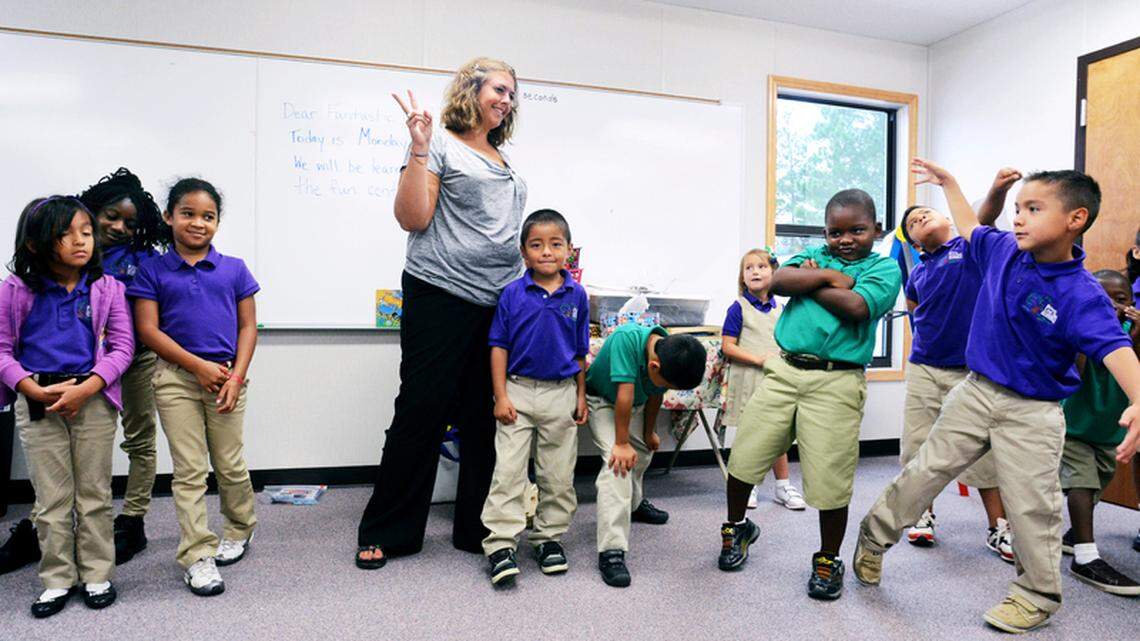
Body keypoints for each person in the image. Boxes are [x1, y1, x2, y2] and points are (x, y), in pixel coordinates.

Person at [854, 159, 1140, 633]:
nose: (1019, 217)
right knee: (925, 471)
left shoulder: (1082, 294)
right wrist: (949, 184)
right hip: (976, 391)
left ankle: (1036, 596)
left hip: (1034, 411)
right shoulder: (1002, 250)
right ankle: (874, 536)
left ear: (1076, 220)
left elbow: (1116, 350)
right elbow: (970, 224)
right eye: (1019, 207)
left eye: (1033, 208)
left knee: (1034, 506)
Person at [356, 57, 528, 569]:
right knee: (421, 410)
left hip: (495, 302)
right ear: (471, 89)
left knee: (483, 416)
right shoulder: (442, 146)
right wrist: (419, 148)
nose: (507, 100)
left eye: (513, 94)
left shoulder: (501, 157)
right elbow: (413, 217)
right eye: (500, 89)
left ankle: (478, 529)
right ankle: (388, 529)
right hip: (440, 292)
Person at [718, 188, 901, 601]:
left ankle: (827, 558)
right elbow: (778, 280)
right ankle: (736, 529)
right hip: (783, 370)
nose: (846, 239)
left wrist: (811, 281)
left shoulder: (885, 269)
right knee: (745, 458)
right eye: (836, 232)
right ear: (825, 233)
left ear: (877, 229)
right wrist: (832, 278)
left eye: (857, 229)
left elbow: (857, 308)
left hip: (836, 382)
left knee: (830, 479)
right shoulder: (812, 254)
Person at [0, 196, 134, 617]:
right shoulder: (14, 291)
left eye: (86, 232)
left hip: (91, 399)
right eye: (66, 234)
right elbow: (3, 350)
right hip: (37, 398)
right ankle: (57, 579)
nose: (81, 241)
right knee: (51, 497)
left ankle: (97, 573)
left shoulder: (108, 288)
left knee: (93, 492)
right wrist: (29, 388)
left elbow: (123, 347)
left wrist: (88, 387)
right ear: (36, 244)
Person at [129, 179, 259, 596]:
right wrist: (196, 367)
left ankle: (239, 528)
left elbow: (248, 326)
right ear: (169, 217)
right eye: (187, 213)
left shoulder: (234, 268)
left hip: (226, 377)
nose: (198, 223)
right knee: (188, 470)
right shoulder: (152, 269)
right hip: (175, 379)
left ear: (217, 222)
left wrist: (235, 377)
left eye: (208, 216)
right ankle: (197, 556)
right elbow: (148, 330)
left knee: (230, 463)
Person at [896, 167, 1019, 561]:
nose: (918, 218)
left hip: (971, 371)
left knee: (983, 452)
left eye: (924, 213)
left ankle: (997, 527)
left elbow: (982, 215)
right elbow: (915, 313)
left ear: (949, 219)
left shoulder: (968, 249)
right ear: (913, 242)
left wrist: (998, 187)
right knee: (918, 447)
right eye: (912, 223)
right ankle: (922, 516)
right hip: (925, 369)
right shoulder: (917, 273)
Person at [481, 209, 589, 586]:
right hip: (517, 392)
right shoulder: (512, 293)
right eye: (537, 245)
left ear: (568, 251)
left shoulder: (577, 294)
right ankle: (500, 544)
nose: (547, 252)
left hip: (561, 394)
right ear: (524, 253)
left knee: (557, 474)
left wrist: (581, 394)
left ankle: (548, 538)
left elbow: (579, 353)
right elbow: (498, 346)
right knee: (508, 472)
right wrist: (500, 395)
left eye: (555, 244)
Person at [79, 168, 167, 564]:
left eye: (130, 223)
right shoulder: (71, 252)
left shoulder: (145, 260)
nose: (118, 227)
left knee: (140, 439)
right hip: (83, 364)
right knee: (74, 444)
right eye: (111, 216)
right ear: (92, 211)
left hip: (137, 359)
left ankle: (132, 520)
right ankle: (49, 524)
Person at [588, 324, 705, 587]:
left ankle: (634, 504)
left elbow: (655, 395)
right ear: (654, 367)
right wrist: (619, 443)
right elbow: (624, 393)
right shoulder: (625, 340)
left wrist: (649, 431)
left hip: (634, 403)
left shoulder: (667, 350)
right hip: (604, 400)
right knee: (617, 466)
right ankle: (612, 550)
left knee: (641, 453)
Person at [1058, 269, 1140, 595]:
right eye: (1104, 300)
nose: (1114, 306)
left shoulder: (1128, 335)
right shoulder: (1082, 331)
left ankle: (1075, 533)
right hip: (1075, 426)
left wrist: (1134, 338)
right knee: (1081, 482)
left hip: (1108, 431)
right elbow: (1076, 371)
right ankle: (1085, 555)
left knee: (1095, 487)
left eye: (1122, 300)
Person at [719, 248, 804, 511]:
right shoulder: (738, 308)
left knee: (777, 434)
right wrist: (758, 359)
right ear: (742, 277)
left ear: (774, 273)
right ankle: (750, 485)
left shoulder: (782, 310)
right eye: (749, 268)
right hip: (749, 379)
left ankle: (782, 487)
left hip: (777, 381)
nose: (755, 271)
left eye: (761, 266)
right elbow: (728, 347)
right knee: (751, 436)